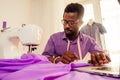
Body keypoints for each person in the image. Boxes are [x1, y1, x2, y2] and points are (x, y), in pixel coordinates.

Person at [42, 3, 111, 66]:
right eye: (64, 22)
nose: (66, 26)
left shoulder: (88, 41)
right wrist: (58, 60)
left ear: (80, 23)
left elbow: (100, 54)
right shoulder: (54, 38)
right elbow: (43, 58)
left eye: (71, 23)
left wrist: (101, 58)